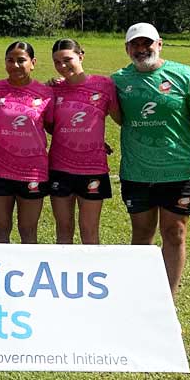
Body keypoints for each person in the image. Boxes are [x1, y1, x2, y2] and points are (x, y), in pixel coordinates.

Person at [113, 22, 190, 296]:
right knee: (142, 235)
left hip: (179, 171)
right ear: (127, 48)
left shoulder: (185, 75)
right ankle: (141, 296)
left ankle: (167, 301)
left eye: (147, 43)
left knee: (175, 234)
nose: (141, 49)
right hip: (137, 172)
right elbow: (89, 100)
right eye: (135, 44)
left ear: (159, 44)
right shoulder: (118, 80)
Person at [47, 38, 121, 244]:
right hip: (60, 167)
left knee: (89, 230)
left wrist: (95, 138)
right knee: (63, 229)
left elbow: (121, 119)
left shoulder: (104, 85)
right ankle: (64, 275)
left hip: (93, 169)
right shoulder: (53, 90)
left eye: (67, 59)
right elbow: (51, 126)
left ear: (81, 56)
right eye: (57, 62)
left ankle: (91, 275)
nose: (62, 66)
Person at [0, 41, 53, 244]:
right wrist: (2, 137)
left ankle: (29, 275)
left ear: (33, 62)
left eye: (21, 60)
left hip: (33, 171)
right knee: (1, 230)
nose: (15, 65)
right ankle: (0, 275)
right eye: (10, 60)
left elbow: (51, 126)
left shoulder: (46, 92)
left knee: (28, 231)